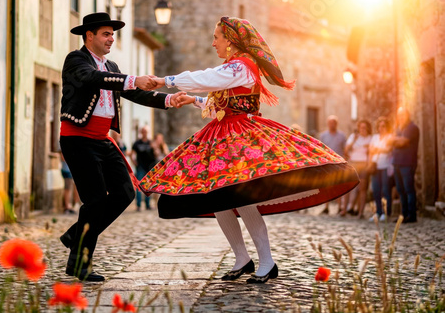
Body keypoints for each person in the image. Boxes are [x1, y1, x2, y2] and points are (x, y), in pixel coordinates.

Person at [141, 17, 359, 283]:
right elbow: (220, 103)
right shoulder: (231, 68)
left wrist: (166, 80)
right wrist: (194, 100)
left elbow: (208, 78)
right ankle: (242, 258)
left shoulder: (242, 66)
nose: (213, 43)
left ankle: (267, 262)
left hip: (241, 138)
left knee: (243, 200)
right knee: (219, 198)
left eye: (217, 38)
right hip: (223, 138)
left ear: (231, 41)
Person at [58, 12, 184, 282]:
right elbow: (93, 78)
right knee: (95, 200)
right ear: (89, 35)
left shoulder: (112, 67)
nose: (111, 39)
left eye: (112, 34)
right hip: (77, 139)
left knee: (125, 192)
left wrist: (171, 100)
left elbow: (135, 92)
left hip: (103, 140)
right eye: (106, 34)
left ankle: (75, 235)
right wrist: (133, 79)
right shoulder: (76, 60)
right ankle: (80, 262)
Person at [390, 107, 419, 223]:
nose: (401, 117)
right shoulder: (398, 129)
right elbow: (391, 141)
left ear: (408, 115)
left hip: (407, 162)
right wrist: (396, 140)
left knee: (408, 189)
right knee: (400, 190)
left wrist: (394, 140)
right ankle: (403, 214)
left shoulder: (412, 128)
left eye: (403, 115)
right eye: (399, 115)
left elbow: (403, 142)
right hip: (397, 162)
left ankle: (412, 215)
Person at [342, 119, 372, 218]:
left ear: (367, 128)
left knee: (362, 189)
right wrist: (354, 139)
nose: (362, 129)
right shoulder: (353, 137)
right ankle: (344, 210)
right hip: (353, 163)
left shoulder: (370, 138)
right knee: (347, 187)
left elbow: (371, 152)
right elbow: (346, 150)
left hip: (363, 164)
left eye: (364, 127)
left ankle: (360, 212)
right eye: (361, 127)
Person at [319, 115, 347, 215]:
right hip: (326, 163)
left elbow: (345, 149)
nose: (332, 125)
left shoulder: (342, 136)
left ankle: (340, 207)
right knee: (326, 186)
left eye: (333, 123)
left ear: (336, 124)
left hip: (338, 163)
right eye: (330, 123)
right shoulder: (323, 135)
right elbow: (319, 149)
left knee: (338, 186)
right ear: (328, 124)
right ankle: (326, 207)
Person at [368, 117, 393, 222]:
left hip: (385, 166)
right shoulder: (375, 137)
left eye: (383, 126)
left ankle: (386, 212)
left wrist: (378, 149)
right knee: (376, 190)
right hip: (375, 166)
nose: (381, 128)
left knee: (386, 190)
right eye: (380, 126)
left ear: (387, 127)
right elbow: (371, 150)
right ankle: (378, 212)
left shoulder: (390, 137)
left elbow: (389, 149)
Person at [131, 126, 156, 211]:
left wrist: (154, 147)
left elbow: (156, 154)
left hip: (149, 167)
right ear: (141, 133)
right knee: (139, 187)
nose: (144, 133)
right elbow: (132, 154)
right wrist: (134, 162)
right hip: (140, 167)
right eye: (143, 131)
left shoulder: (150, 142)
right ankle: (138, 205)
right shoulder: (137, 143)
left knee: (148, 187)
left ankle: (147, 205)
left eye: (146, 131)